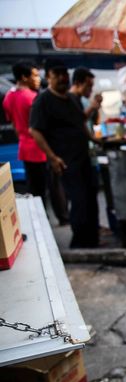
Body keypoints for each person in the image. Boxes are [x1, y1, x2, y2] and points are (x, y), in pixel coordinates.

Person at [29, 61, 99, 248]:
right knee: (79, 202)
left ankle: (92, 240)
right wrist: (52, 157)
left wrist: (94, 137)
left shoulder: (71, 98)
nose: (61, 78)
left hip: (83, 157)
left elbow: (79, 121)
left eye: (63, 73)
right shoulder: (43, 101)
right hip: (66, 161)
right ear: (48, 76)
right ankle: (80, 244)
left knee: (90, 199)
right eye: (56, 74)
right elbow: (35, 130)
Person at [2, 62, 50, 207]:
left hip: (24, 147)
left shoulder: (8, 97)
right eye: (34, 75)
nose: (38, 79)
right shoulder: (33, 98)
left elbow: (15, 125)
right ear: (24, 77)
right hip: (40, 148)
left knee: (33, 188)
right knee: (42, 189)